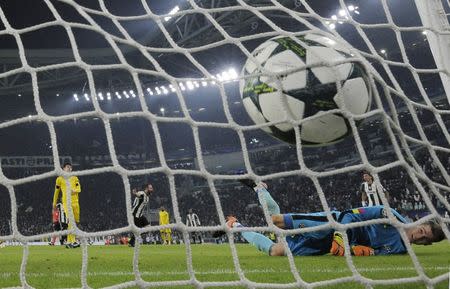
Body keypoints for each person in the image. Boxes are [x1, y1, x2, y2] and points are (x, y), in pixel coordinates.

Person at [224, 179, 445, 257]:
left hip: (332, 245)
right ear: (420, 223)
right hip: (332, 222)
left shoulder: (401, 249)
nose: (419, 235)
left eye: (424, 238)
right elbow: (350, 214)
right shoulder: (390, 216)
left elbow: (373, 252)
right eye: (422, 230)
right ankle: (259, 187)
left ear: (426, 243)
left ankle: (235, 225)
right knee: (275, 221)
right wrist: (341, 233)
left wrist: (358, 251)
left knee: (276, 251)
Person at [52, 162, 81, 249]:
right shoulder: (59, 179)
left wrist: (74, 191)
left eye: (70, 167)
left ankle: (68, 241)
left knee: (74, 222)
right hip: (66, 203)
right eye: (67, 167)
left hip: (75, 203)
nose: (69, 168)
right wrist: (54, 203)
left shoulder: (75, 178)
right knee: (71, 221)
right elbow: (56, 192)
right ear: (63, 168)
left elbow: (79, 189)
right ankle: (73, 241)